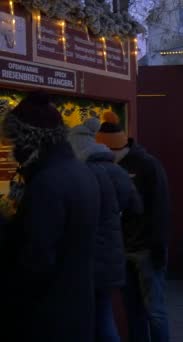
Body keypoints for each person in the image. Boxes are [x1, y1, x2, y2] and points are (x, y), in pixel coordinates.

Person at [0, 91, 100, 341]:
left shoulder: (47, 183)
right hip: (76, 311)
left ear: (30, 140)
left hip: (46, 319)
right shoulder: (80, 173)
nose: (13, 151)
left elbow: (37, 261)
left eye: (15, 142)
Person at [96, 111, 171, 342]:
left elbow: (160, 207)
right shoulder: (106, 168)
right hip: (122, 249)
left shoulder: (147, 165)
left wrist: (158, 245)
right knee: (132, 310)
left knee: (154, 310)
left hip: (146, 248)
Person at [68, 117, 142, 342]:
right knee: (104, 312)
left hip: (89, 256)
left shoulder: (82, 174)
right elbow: (137, 206)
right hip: (114, 251)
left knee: (91, 317)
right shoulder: (117, 170)